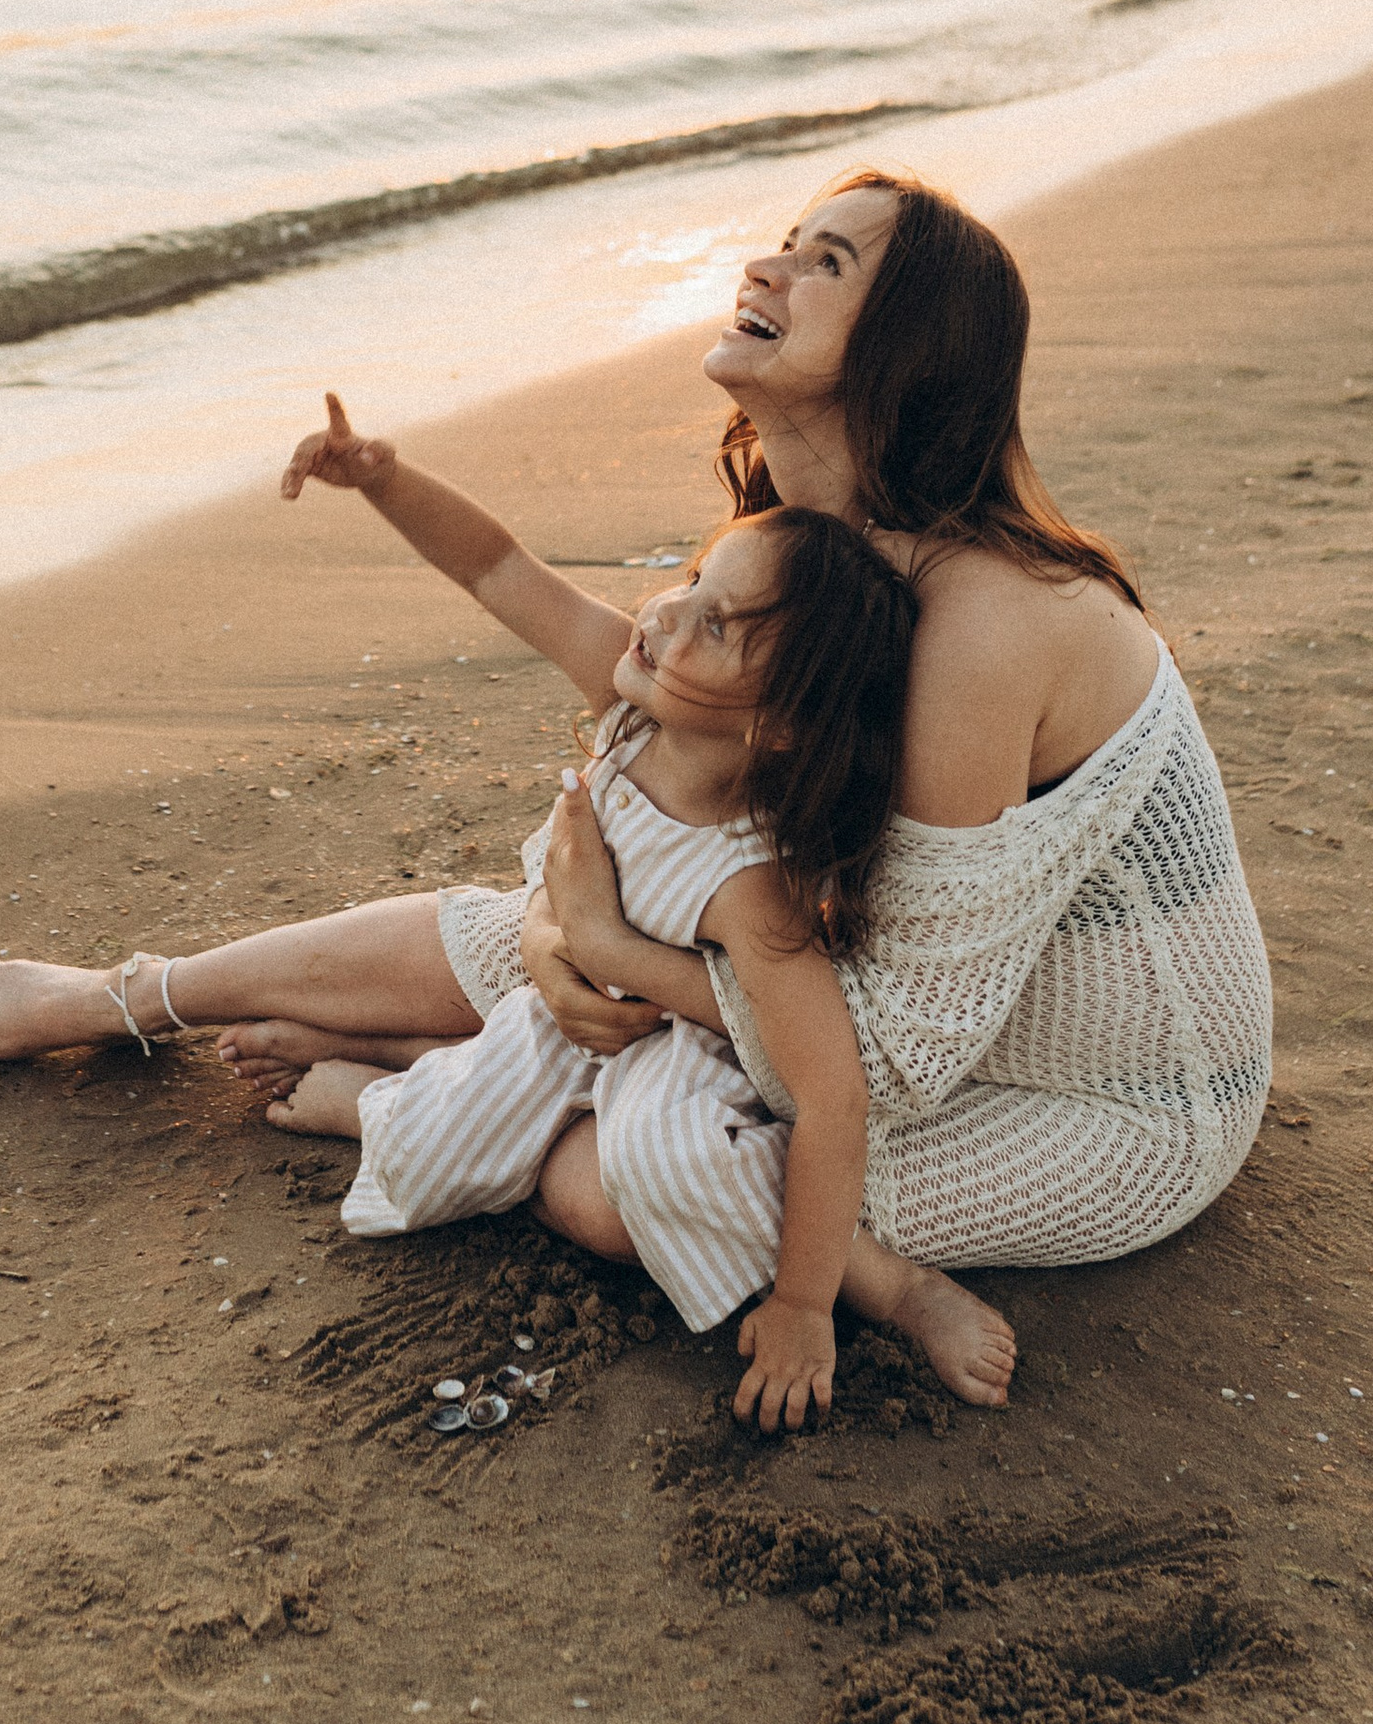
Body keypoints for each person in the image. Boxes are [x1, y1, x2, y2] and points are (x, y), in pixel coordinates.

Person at [0, 172, 1274, 1408]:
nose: (766, 264)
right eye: (785, 239)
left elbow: (895, 1064)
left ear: (908, 348)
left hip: (1106, 1108)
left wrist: (612, 952)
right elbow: (622, 773)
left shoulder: (983, 625)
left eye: (823, 262)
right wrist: (548, 942)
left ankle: (409, 1087)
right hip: (821, 993)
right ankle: (126, 995)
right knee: (524, 957)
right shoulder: (798, 566)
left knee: (622, 1190)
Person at [257, 451, 917, 1428]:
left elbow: (832, 1098)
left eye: (718, 625)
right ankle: (390, 1086)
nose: (666, 615)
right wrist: (383, 479)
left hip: (681, 1069)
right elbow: (497, 568)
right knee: (439, 1154)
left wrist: (801, 1305)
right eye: (693, 580)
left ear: (781, 723)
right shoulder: (627, 704)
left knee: (654, 1169)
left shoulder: (749, 886)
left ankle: (900, 1290)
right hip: (565, 1018)